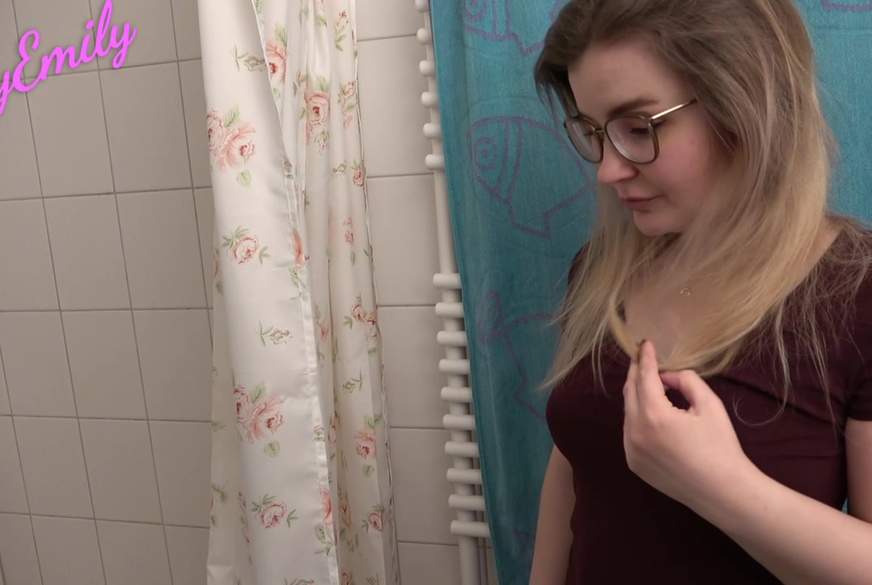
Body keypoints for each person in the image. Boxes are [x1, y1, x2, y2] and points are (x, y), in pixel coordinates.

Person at [529, 1, 872, 584]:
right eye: (594, 132)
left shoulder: (856, 292)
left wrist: (720, 487)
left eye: (639, 128)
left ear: (745, 106)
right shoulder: (600, 270)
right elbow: (572, 464)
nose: (607, 170)